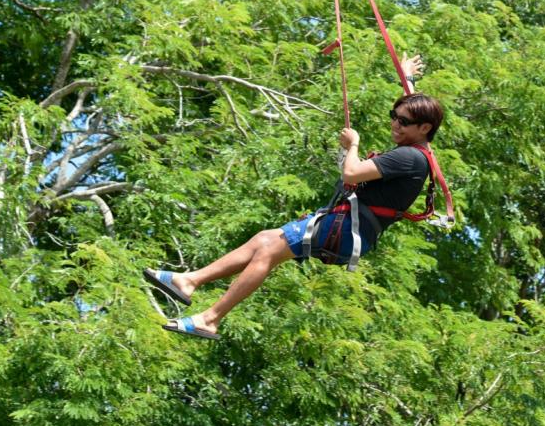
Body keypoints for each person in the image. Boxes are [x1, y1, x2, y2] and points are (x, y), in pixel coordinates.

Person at [144, 56, 444, 340]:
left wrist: (352, 145)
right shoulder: (418, 150)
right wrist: (406, 80)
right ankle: (190, 280)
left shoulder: (408, 157)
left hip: (346, 228)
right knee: (264, 239)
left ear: (424, 128)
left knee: (269, 251)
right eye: (393, 116)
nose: (395, 124)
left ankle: (210, 319)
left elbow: (351, 174)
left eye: (402, 122)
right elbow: (414, 112)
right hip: (344, 225)